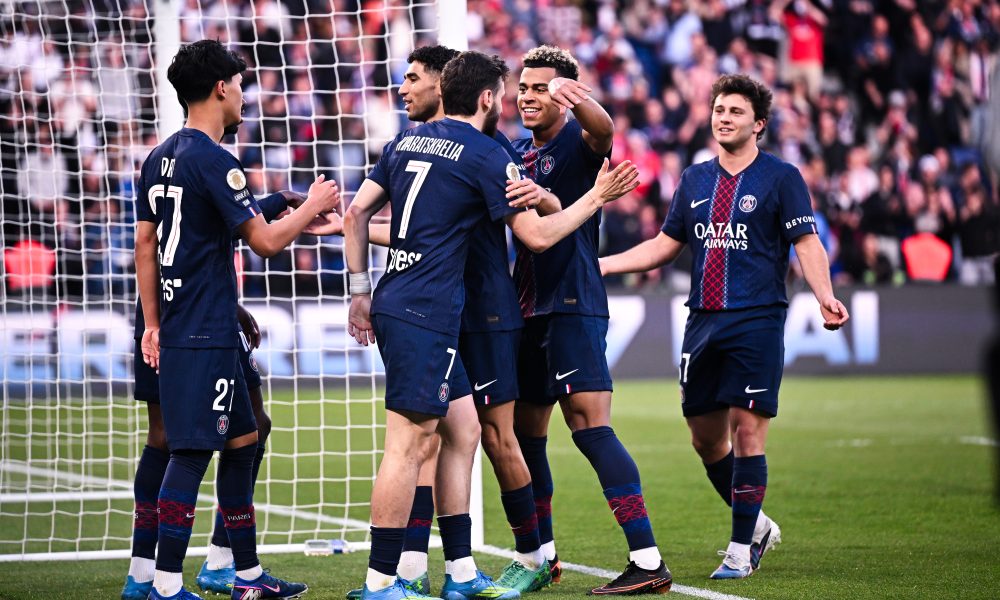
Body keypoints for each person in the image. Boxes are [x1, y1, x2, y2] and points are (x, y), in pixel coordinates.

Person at [343, 50, 636, 600]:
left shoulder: (404, 143)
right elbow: (539, 237)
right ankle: (382, 581)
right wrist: (596, 196)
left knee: (464, 432)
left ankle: (457, 573)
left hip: (407, 302)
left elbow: (357, 214)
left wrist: (360, 293)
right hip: (431, 312)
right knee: (409, 445)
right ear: (486, 99)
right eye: (507, 92)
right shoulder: (486, 154)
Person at [600, 73, 850, 579]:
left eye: (735, 111)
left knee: (748, 432)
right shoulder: (694, 180)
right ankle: (756, 525)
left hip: (757, 318)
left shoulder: (782, 178)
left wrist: (825, 295)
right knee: (706, 440)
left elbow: (806, 244)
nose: (723, 117)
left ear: (758, 124)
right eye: (718, 109)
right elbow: (665, 246)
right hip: (702, 323)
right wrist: (601, 265)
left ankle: (739, 551)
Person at [135, 39, 338, 600]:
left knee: (247, 433)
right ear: (221, 88)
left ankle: (242, 575)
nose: (245, 95)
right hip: (201, 327)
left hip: (195, 316)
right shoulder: (216, 161)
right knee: (192, 448)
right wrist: (310, 205)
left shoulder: (160, 156)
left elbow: (151, 241)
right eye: (241, 84)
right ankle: (166, 585)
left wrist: (153, 321)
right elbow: (268, 244)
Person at [509, 45, 672, 595]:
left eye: (542, 88)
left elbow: (602, 131)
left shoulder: (578, 147)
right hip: (523, 310)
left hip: (574, 301)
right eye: (524, 87)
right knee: (524, 434)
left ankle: (647, 561)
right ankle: (543, 556)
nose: (528, 96)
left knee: (589, 428)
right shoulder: (511, 152)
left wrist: (581, 100)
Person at [122, 190, 306, 600]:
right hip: (191, 319)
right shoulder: (204, 159)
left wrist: (233, 306)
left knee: (246, 427)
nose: (241, 119)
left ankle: (218, 564)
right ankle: (160, 574)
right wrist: (297, 205)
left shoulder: (167, 162)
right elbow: (246, 234)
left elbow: (195, 233)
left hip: (183, 306)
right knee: (179, 442)